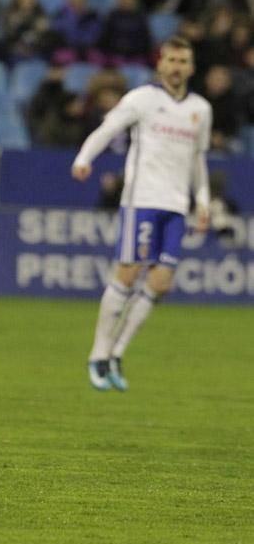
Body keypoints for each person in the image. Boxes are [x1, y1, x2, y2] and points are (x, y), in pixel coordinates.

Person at [71, 37, 210, 392]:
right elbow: (108, 129)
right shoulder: (142, 100)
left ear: (192, 67)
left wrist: (203, 200)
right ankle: (97, 355)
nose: (177, 67)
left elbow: (198, 159)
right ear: (160, 65)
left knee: (161, 282)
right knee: (128, 273)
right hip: (142, 200)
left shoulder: (200, 109)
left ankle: (117, 353)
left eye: (184, 60)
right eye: (172, 60)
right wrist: (84, 159)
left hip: (177, 205)